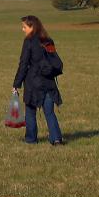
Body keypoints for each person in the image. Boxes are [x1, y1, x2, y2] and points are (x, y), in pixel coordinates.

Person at [13, 15, 64, 145]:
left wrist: (16, 84)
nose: (22, 29)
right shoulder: (48, 40)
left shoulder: (29, 41)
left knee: (30, 112)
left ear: (32, 27)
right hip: (49, 82)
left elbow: (23, 64)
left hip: (33, 83)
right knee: (49, 112)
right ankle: (56, 139)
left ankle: (31, 139)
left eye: (24, 27)